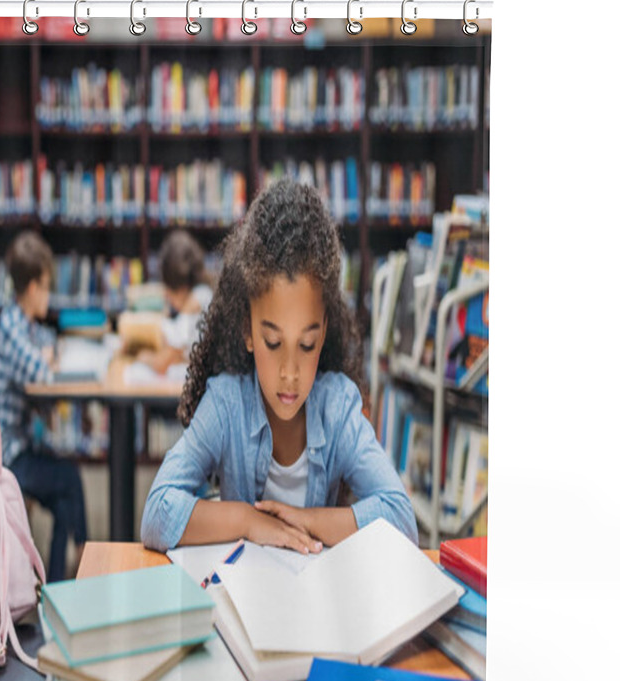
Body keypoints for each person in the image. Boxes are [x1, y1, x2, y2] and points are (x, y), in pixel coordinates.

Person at [140, 179, 416, 554]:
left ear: (324, 332)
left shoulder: (338, 406)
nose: (290, 371)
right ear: (248, 330)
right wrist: (250, 521)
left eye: (306, 344)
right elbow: (156, 514)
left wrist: (305, 521)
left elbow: (401, 518)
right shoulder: (226, 404)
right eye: (273, 342)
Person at [0, 230, 87, 581]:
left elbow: (50, 345)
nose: (49, 293)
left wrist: (49, 354)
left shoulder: (24, 322)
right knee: (70, 477)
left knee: (62, 503)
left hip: (23, 445)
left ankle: (56, 587)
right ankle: (85, 561)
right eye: (46, 285)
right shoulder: (12, 327)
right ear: (32, 288)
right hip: (7, 456)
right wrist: (49, 358)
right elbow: (43, 373)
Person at [137, 229, 214, 374]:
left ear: (181, 286)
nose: (167, 296)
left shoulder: (196, 300)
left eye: (169, 289)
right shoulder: (204, 293)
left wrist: (145, 358)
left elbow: (162, 363)